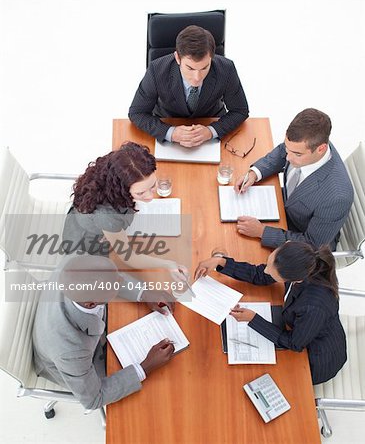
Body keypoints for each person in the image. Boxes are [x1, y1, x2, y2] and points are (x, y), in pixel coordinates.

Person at [33, 255, 175, 410]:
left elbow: (108, 277)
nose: (121, 281)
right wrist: (145, 367)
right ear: (91, 303)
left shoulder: (74, 264)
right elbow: (94, 399)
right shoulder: (71, 351)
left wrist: (144, 293)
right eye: (114, 285)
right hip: (78, 366)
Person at [195, 241, 347, 385]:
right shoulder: (301, 260)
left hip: (316, 359)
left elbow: (294, 343)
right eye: (269, 263)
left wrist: (253, 319)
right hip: (302, 328)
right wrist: (221, 262)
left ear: (296, 279)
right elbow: (259, 274)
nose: (266, 270)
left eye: (271, 271)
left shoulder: (313, 306)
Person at [62, 142, 187, 292]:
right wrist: (168, 264)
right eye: (140, 193)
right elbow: (129, 257)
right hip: (87, 247)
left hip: (94, 225)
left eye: (152, 186)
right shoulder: (108, 216)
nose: (150, 197)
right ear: (121, 190)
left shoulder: (111, 170)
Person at [234, 108, 354, 250]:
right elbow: (281, 151)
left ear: (321, 149)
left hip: (300, 240)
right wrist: (255, 173)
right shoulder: (310, 142)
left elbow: (312, 244)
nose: (288, 158)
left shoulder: (337, 197)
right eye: (287, 149)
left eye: (297, 154)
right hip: (284, 207)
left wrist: (262, 232)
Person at [128, 25, 249, 147]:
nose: (197, 77)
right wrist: (171, 133)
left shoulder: (226, 68)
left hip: (210, 123)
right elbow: (137, 113)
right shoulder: (157, 70)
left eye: (204, 68)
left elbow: (240, 110)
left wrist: (211, 131)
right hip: (168, 122)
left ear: (211, 58)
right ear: (177, 58)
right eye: (190, 68)